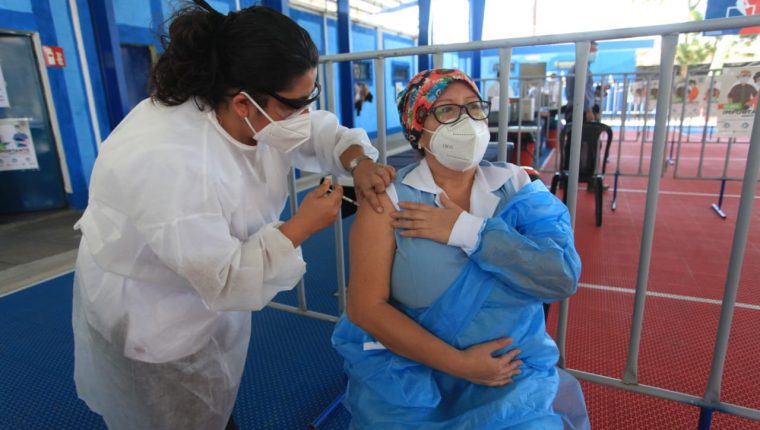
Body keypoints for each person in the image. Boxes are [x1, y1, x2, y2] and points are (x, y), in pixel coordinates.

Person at [71, 2, 394, 430]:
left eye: (309, 99)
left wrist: (358, 161)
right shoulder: (171, 162)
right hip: (153, 315)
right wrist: (301, 227)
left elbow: (316, 130)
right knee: (174, 415)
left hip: (202, 290)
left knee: (212, 400)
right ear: (244, 102)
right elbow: (223, 280)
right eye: (296, 105)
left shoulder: (245, 108)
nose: (305, 116)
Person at [332, 69, 588, 429]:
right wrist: (461, 364)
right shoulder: (388, 200)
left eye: (474, 107)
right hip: (411, 378)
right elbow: (365, 308)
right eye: (447, 110)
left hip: (511, 376)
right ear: (418, 129)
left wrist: (468, 231)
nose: (466, 121)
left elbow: (561, 277)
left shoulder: (517, 185)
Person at [565, 41, 598, 123]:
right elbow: (581, 90)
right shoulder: (581, 68)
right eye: (592, 51)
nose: (594, 54)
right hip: (580, 110)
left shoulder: (582, 67)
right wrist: (588, 110)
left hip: (579, 108)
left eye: (595, 51)